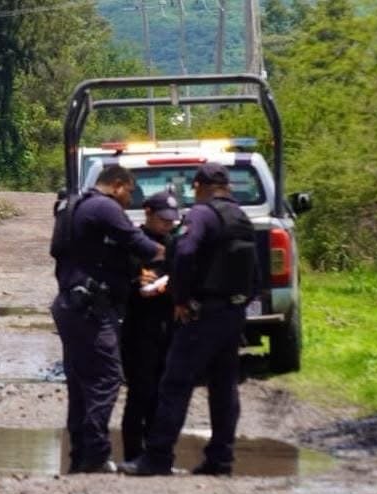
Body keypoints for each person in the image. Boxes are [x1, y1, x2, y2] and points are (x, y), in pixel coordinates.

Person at [120, 162, 257, 476]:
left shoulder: (201, 214)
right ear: (228, 186)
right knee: (224, 389)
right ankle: (220, 460)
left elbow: (184, 252)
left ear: (198, 186)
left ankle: (157, 457)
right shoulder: (240, 217)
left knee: (174, 384)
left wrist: (181, 299)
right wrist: (240, 304)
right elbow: (253, 270)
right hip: (232, 314)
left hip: (203, 313)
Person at [50, 165, 164, 473]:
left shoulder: (74, 206)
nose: (130, 201)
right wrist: (173, 253)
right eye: (129, 192)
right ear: (117, 185)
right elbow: (138, 244)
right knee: (106, 379)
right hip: (90, 309)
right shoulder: (104, 207)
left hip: (70, 304)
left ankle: (80, 456)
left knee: (80, 381)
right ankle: (96, 455)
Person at [120, 191, 180, 462]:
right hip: (140, 328)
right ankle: (133, 453)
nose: (168, 225)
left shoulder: (175, 243)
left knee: (164, 394)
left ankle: (157, 453)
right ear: (147, 213)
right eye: (163, 219)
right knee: (140, 393)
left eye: (171, 220)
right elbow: (134, 286)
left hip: (169, 327)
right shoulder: (135, 244)